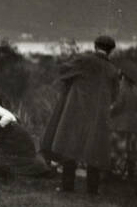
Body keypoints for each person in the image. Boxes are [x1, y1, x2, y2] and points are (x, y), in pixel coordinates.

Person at [40, 35, 120, 196]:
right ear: (111, 51)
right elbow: (114, 95)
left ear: (95, 46)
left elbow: (63, 71)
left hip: (75, 112)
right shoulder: (113, 70)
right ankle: (92, 190)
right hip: (98, 116)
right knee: (94, 151)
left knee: (70, 147)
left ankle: (67, 187)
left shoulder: (84, 60)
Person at [109, 67, 137, 182]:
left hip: (120, 122)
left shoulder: (122, 87)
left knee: (117, 149)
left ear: (124, 75)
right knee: (131, 150)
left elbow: (119, 105)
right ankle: (129, 173)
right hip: (134, 123)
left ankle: (116, 172)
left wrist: (110, 110)